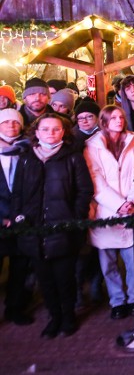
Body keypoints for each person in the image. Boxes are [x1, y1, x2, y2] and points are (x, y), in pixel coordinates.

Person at [13, 113, 93, 338]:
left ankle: (68, 317)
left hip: (63, 228)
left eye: (56, 129)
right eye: (46, 129)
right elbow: (18, 192)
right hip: (34, 229)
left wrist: (74, 217)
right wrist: (20, 218)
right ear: (36, 133)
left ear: (63, 132)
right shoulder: (27, 158)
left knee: (64, 278)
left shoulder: (73, 157)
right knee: (45, 280)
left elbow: (84, 190)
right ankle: (54, 317)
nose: (51, 133)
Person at [84, 106, 134, 320]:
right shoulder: (92, 147)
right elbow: (95, 180)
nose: (119, 120)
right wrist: (118, 204)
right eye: (113, 118)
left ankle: (133, 298)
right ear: (103, 121)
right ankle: (117, 300)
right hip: (106, 212)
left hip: (133, 209)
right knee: (108, 263)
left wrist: (132, 200)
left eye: (121, 117)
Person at [0, 109, 32, 326]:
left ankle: (14, 308)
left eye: (15, 122)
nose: (11, 126)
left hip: (22, 220)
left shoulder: (28, 150)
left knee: (20, 268)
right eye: (5, 122)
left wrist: (19, 215)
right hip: (0, 220)